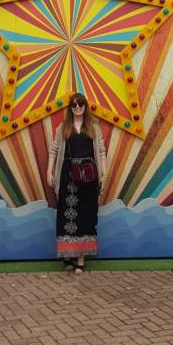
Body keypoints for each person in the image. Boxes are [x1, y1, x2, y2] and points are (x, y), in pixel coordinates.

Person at [47, 93, 107, 274]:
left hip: (89, 177)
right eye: (74, 104)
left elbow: (102, 151)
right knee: (67, 215)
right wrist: (49, 171)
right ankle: (67, 256)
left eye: (80, 104)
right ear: (70, 108)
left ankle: (81, 258)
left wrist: (104, 174)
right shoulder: (62, 128)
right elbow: (54, 149)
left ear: (85, 106)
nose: (77, 107)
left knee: (86, 215)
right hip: (68, 176)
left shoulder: (94, 128)